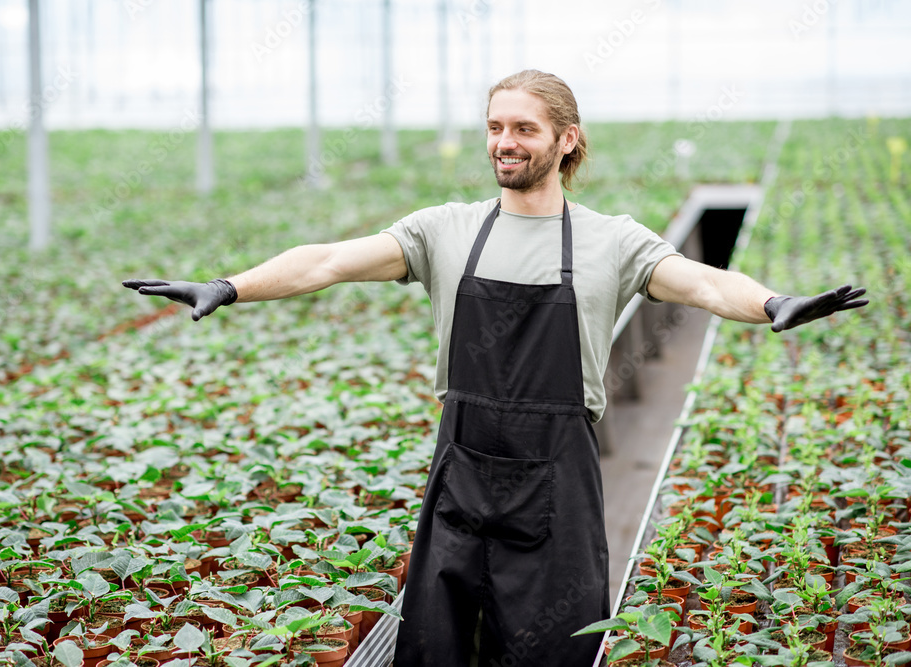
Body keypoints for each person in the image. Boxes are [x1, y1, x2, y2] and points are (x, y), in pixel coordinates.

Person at [123, 70, 867, 666]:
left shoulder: (612, 241)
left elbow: (703, 283)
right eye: (494, 127)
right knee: (438, 636)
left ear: (565, 139)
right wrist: (230, 285)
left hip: (557, 475)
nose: (503, 142)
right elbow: (326, 260)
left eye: (522, 128)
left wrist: (771, 303)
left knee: (555, 641)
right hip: (464, 466)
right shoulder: (446, 230)